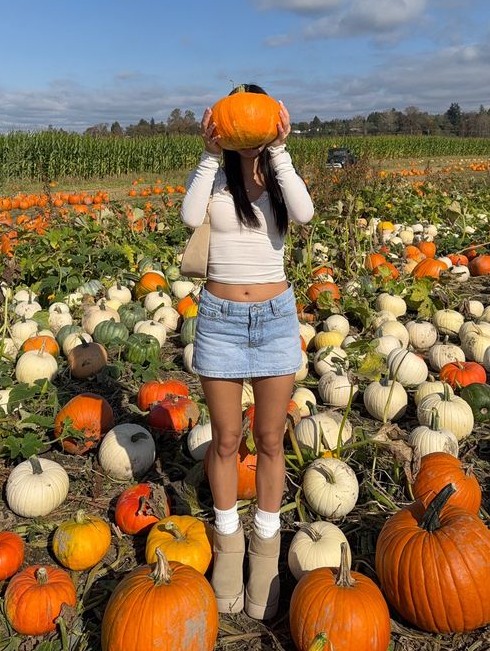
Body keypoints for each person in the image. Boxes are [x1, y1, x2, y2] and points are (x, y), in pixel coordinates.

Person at [180, 84, 314, 619]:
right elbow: (191, 217)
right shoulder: (215, 176)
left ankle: (266, 548)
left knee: (270, 439)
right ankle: (228, 545)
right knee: (226, 441)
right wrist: (210, 153)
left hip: (276, 319)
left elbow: (303, 214)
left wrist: (279, 149)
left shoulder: (280, 177)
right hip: (219, 320)